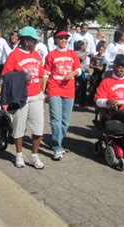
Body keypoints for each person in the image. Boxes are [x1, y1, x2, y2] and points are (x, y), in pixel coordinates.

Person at [2, 26, 46, 169]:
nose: (36, 44)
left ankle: (34, 156)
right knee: (19, 128)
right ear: (26, 41)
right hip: (21, 97)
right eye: (34, 41)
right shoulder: (14, 55)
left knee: (38, 127)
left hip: (36, 95)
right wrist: (21, 77)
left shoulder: (36, 55)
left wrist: (42, 92)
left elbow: (40, 75)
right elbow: (5, 76)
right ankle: (19, 155)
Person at [44, 30, 81, 160]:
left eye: (65, 38)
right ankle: (57, 146)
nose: (63, 40)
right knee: (56, 119)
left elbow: (79, 69)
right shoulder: (51, 55)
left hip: (69, 90)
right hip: (55, 88)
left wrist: (73, 73)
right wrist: (43, 90)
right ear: (56, 40)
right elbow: (46, 73)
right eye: (60, 38)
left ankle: (58, 140)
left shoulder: (72, 54)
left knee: (65, 122)